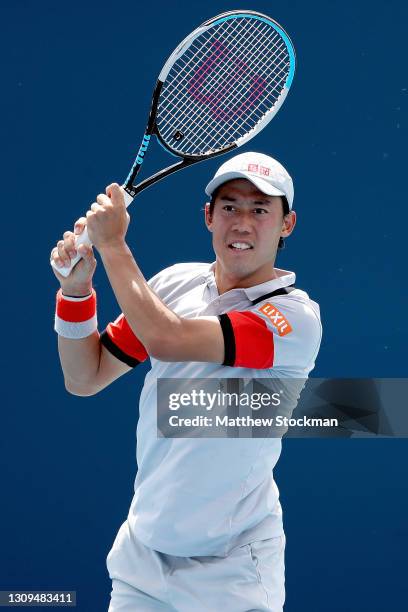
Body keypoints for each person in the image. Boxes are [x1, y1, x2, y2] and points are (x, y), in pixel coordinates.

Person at [51, 152, 322, 611]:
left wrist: (114, 245)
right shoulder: (173, 284)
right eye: (230, 207)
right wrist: (76, 292)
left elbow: (168, 337)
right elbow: (85, 377)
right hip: (143, 559)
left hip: (233, 572)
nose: (242, 223)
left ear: (287, 224)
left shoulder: (293, 317)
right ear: (208, 217)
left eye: (260, 210)